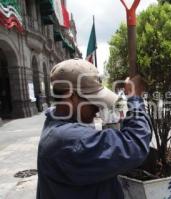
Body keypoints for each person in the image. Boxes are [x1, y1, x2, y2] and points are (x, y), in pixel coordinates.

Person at [36, 59, 152, 199]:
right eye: (93, 101)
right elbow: (135, 145)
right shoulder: (69, 140)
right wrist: (135, 99)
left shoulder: (54, 124)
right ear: (70, 96)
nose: (97, 109)